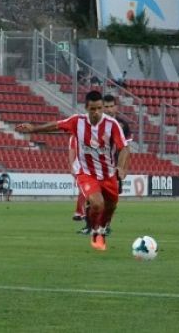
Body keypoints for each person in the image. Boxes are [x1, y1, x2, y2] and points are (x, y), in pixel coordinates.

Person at [16, 90, 128, 251]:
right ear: (86, 108)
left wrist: (121, 167)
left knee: (111, 206)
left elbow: (124, 148)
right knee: (97, 204)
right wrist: (34, 129)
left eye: (99, 108)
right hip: (86, 173)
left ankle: (101, 230)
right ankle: (94, 229)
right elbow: (56, 125)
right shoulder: (77, 121)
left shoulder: (112, 125)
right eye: (92, 109)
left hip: (108, 174)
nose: (96, 112)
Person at [75, 94, 133, 235]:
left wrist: (124, 169)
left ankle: (105, 226)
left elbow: (127, 149)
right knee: (93, 199)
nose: (108, 109)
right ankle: (90, 226)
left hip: (113, 169)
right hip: (95, 168)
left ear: (116, 107)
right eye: (105, 107)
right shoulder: (94, 123)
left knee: (110, 201)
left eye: (111, 106)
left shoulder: (122, 125)